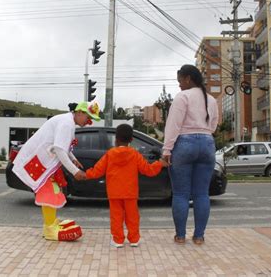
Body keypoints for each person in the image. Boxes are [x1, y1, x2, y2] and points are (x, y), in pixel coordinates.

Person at [11, 100, 100, 241]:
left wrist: (72, 158)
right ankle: (50, 228)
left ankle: (50, 223)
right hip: (41, 162)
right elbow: (59, 148)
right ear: (80, 113)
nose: (89, 122)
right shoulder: (66, 123)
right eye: (88, 118)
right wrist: (74, 171)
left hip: (43, 161)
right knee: (50, 192)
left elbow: (62, 145)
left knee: (52, 191)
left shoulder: (67, 121)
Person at [84, 124, 168, 248]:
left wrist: (85, 174)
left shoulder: (110, 154)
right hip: (130, 192)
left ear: (116, 139)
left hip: (114, 193)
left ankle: (118, 241)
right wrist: (159, 164)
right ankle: (134, 239)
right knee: (132, 216)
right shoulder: (134, 154)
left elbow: (97, 171)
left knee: (116, 217)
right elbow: (148, 170)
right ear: (131, 140)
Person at [162, 64, 219, 245]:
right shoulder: (211, 99)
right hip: (207, 142)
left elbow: (173, 125)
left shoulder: (182, 97)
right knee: (202, 194)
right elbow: (213, 125)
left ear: (187, 79)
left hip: (184, 143)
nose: (179, 85)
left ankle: (180, 236)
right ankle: (199, 236)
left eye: (180, 81)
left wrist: (167, 150)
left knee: (180, 194)